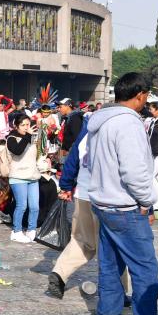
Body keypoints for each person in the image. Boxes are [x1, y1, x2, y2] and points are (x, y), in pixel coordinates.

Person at [86, 72, 158, 315]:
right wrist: (149, 200)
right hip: (124, 206)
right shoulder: (128, 125)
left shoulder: (100, 121)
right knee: (146, 270)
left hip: (103, 202)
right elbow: (134, 172)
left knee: (111, 264)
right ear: (141, 96)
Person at [47, 117, 129, 299]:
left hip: (83, 194)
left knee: (81, 241)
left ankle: (59, 273)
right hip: (107, 199)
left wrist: (66, 185)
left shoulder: (86, 134)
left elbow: (72, 160)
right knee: (114, 246)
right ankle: (119, 292)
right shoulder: (118, 132)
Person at [6, 114, 41, 243]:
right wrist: (27, 136)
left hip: (33, 176)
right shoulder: (11, 138)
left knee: (35, 206)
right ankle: (16, 231)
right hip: (18, 176)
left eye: (28, 124)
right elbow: (18, 151)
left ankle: (32, 230)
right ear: (16, 126)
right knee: (22, 205)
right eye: (23, 125)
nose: (26, 128)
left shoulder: (31, 137)